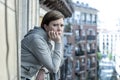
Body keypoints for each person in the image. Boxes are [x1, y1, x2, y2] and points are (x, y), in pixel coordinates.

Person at [21, 10, 64, 80]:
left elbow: (59, 60)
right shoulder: (37, 40)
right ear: (46, 27)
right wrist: (58, 43)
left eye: (61, 25)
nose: (59, 29)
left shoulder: (48, 38)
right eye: (55, 25)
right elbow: (54, 68)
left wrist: (43, 69)